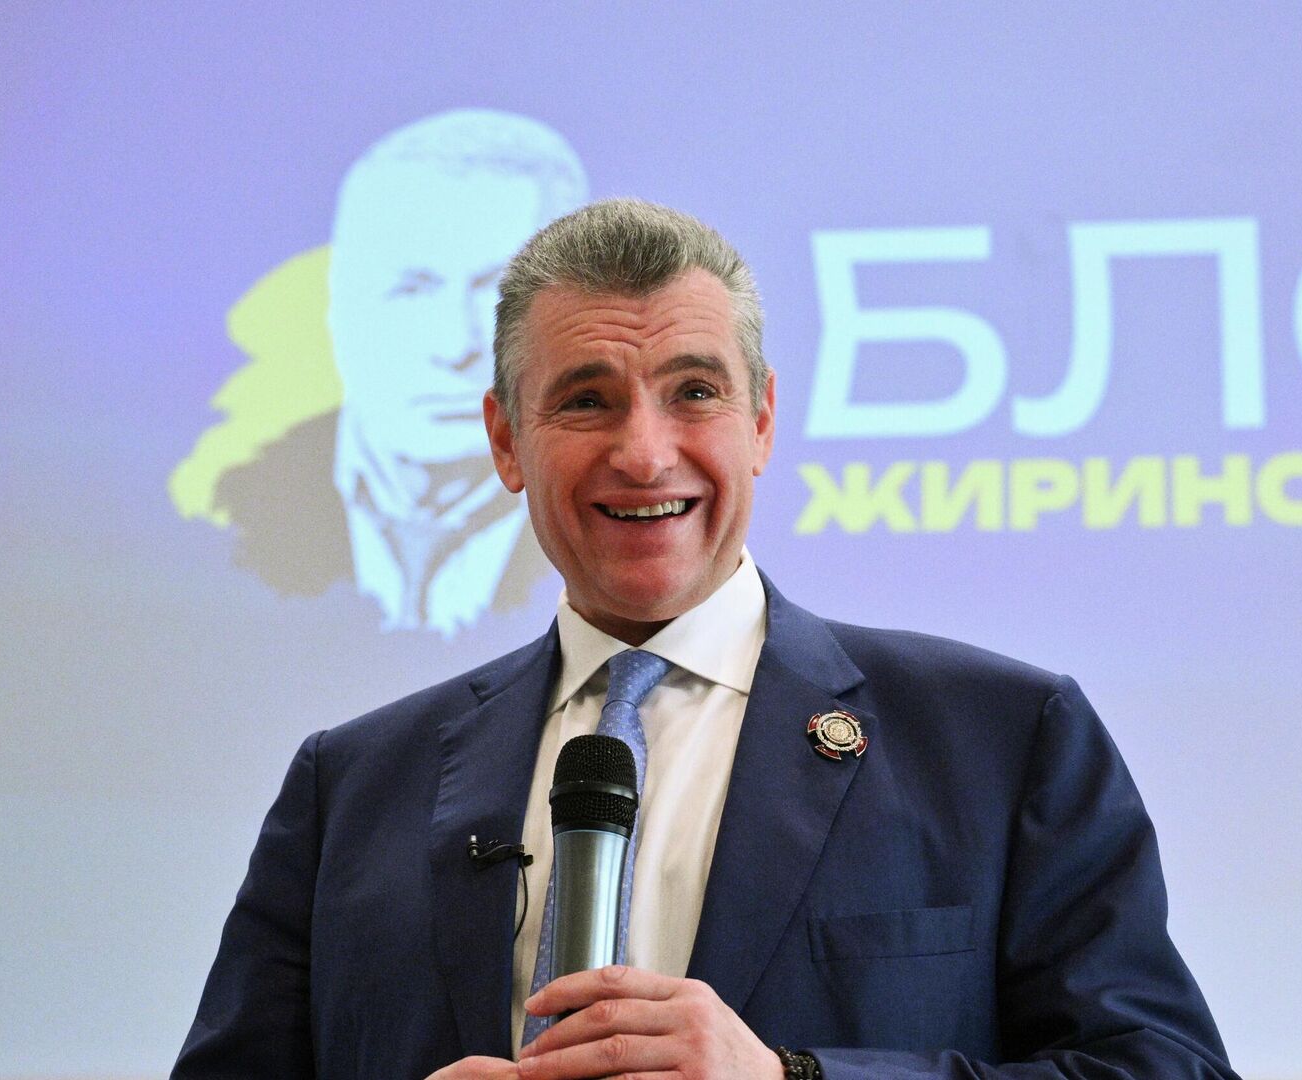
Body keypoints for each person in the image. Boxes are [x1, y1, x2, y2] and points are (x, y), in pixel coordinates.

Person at [175, 199, 1237, 1079]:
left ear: (762, 421)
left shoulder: (1001, 739)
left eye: (694, 392)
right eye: (586, 400)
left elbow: (1163, 1069)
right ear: (505, 440)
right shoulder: (353, 787)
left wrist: (789, 1079)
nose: (645, 454)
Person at [187, 109, 586, 636]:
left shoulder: (631, 520)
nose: (455, 346)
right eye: (411, 289)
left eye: (497, 294)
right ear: (338, 309)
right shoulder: (217, 516)